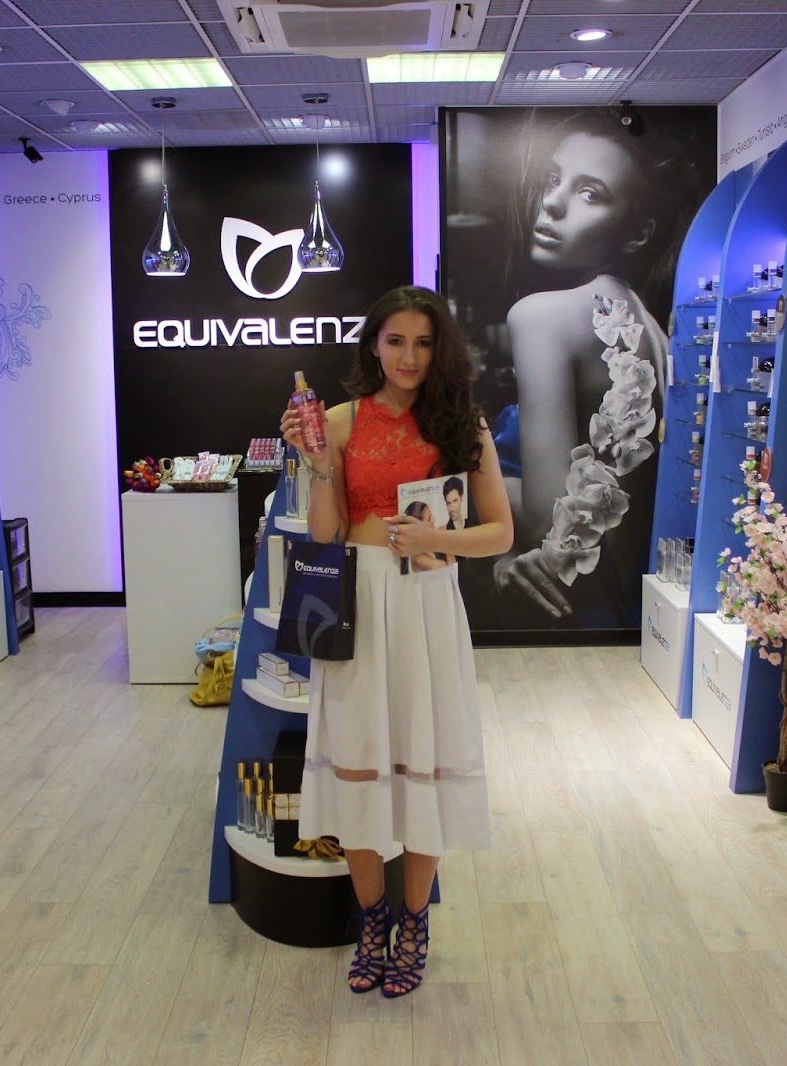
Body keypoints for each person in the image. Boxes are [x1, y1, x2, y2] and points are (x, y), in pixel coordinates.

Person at [278, 285, 512, 999]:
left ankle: (414, 925)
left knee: (424, 762)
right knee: (355, 764)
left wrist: (436, 538)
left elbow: (500, 533)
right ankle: (371, 923)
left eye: (424, 342)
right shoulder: (340, 421)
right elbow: (325, 534)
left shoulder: (463, 423)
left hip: (428, 606)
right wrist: (316, 462)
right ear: (373, 345)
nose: (409, 357)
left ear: (441, 350)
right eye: (396, 341)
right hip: (356, 602)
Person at [486, 110, 702, 627]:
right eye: (552, 179)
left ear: (638, 233)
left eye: (590, 193)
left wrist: (472, 473)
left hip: (567, 610)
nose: (552, 203)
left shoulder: (541, 316)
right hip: (633, 606)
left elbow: (545, 521)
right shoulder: (654, 332)